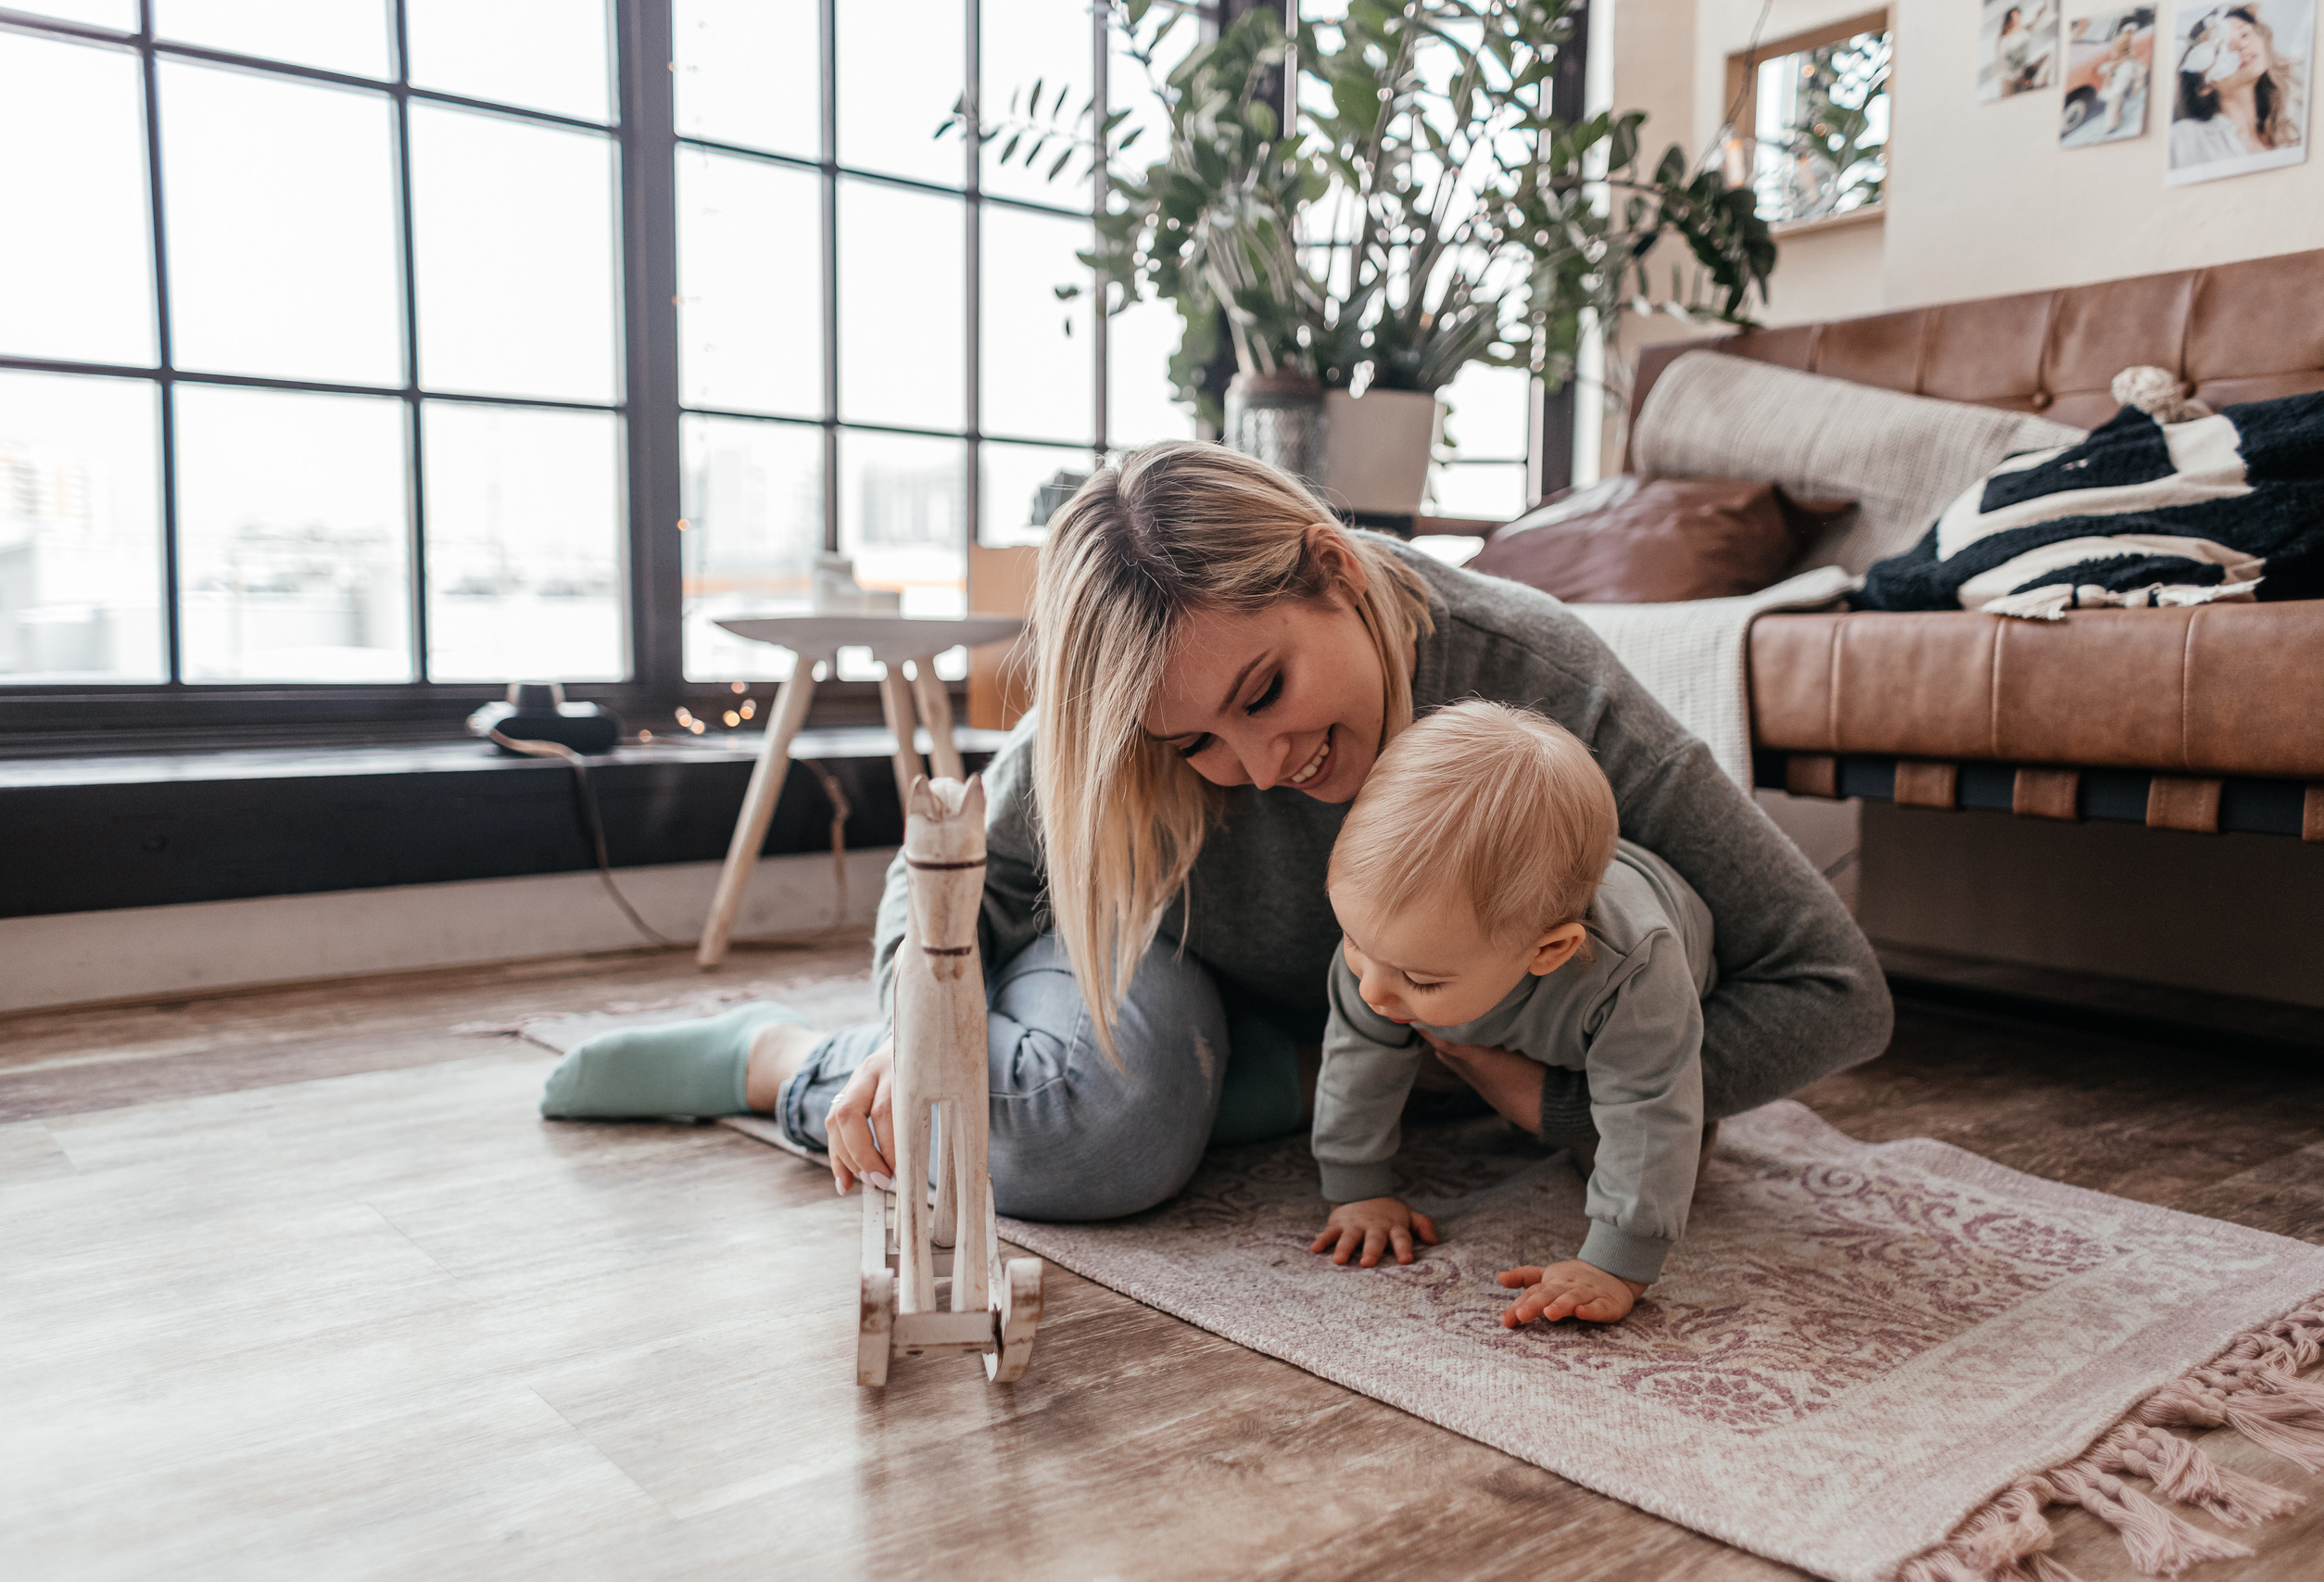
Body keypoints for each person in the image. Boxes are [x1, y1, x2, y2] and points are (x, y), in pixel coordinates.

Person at [540, 442, 1892, 1223]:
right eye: (1193, 744)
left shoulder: (1541, 679)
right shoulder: (1120, 720)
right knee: (1106, 1139)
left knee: (1248, 1103)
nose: (1259, 767)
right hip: (1157, 961)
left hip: (1359, 1028)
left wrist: (1572, 1100)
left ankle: (1269, 1082)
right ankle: (781, 1058)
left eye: (1265, 691)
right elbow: (946, 871)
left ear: (1335, 570)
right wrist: (913, 1027)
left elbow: (1833, 989)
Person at [1307, 702, 1713, 1328]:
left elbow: (1650, 1105)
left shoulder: (1636, 972)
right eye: (1353, 942)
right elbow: (1356, 1053)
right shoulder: (1387, 948)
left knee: (1646, 1151)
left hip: (1650, 1026)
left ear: (1548, 951)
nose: (1374, 991)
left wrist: (1617, 1262)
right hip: (1498, 1007)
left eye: (1420, 978)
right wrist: (1356, 1187)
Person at [2171, 5, 2305, 165]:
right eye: (2219, 48)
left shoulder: (2290, 136)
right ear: (2203, 85)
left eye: (2245, 34)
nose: (2241, 46)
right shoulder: (2185, 137)